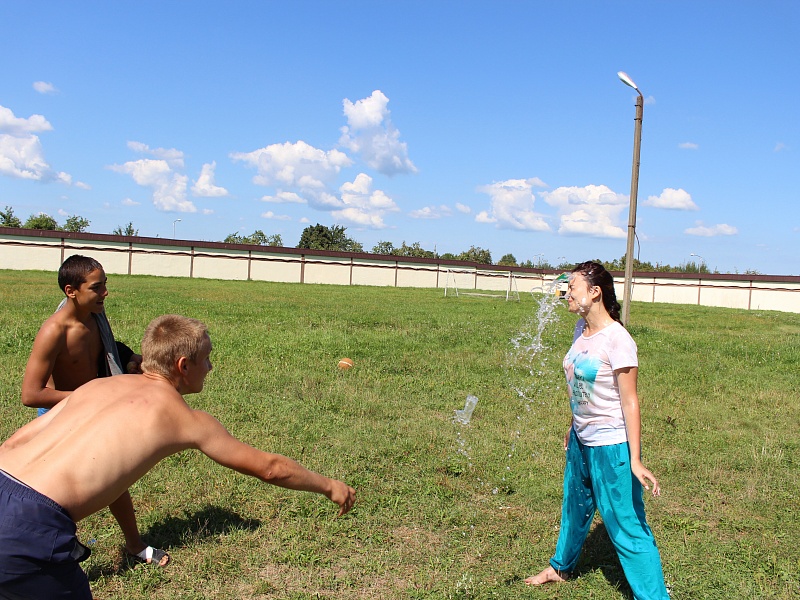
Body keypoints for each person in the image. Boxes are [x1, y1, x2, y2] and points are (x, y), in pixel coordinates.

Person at [0, 314, 356, 599]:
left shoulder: (98, 385)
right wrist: (328, 485)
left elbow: (21, 442)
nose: (211, 367)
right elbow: (271, 468)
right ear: (184, 365)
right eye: (207, 359)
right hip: (29, 527)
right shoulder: (184, 419)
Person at [524, 261, 669, 599]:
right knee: (574, 508)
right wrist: (573, 425)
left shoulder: (618, 339)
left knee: (626, 526)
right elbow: (581, 387)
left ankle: (654, 596)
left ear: (594, 292)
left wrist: (634, 460)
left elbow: (630, 401)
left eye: (572, 287)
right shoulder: (580, 330)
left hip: (611, 445)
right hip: (581, 440)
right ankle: (560, 567)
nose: (566, 294)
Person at [19, 255, 165, 567]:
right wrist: (87, 397)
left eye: (105, 285)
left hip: (91, 412)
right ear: (72, 291)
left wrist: (128, 358)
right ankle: (60, 545)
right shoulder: (54, 331)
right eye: (97, 287)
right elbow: (32, 394)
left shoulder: (94, 318)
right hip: (60, 417)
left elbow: (105, 350)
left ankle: (134, 546)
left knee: (114, 480)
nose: (105, 293)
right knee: (57, 494)